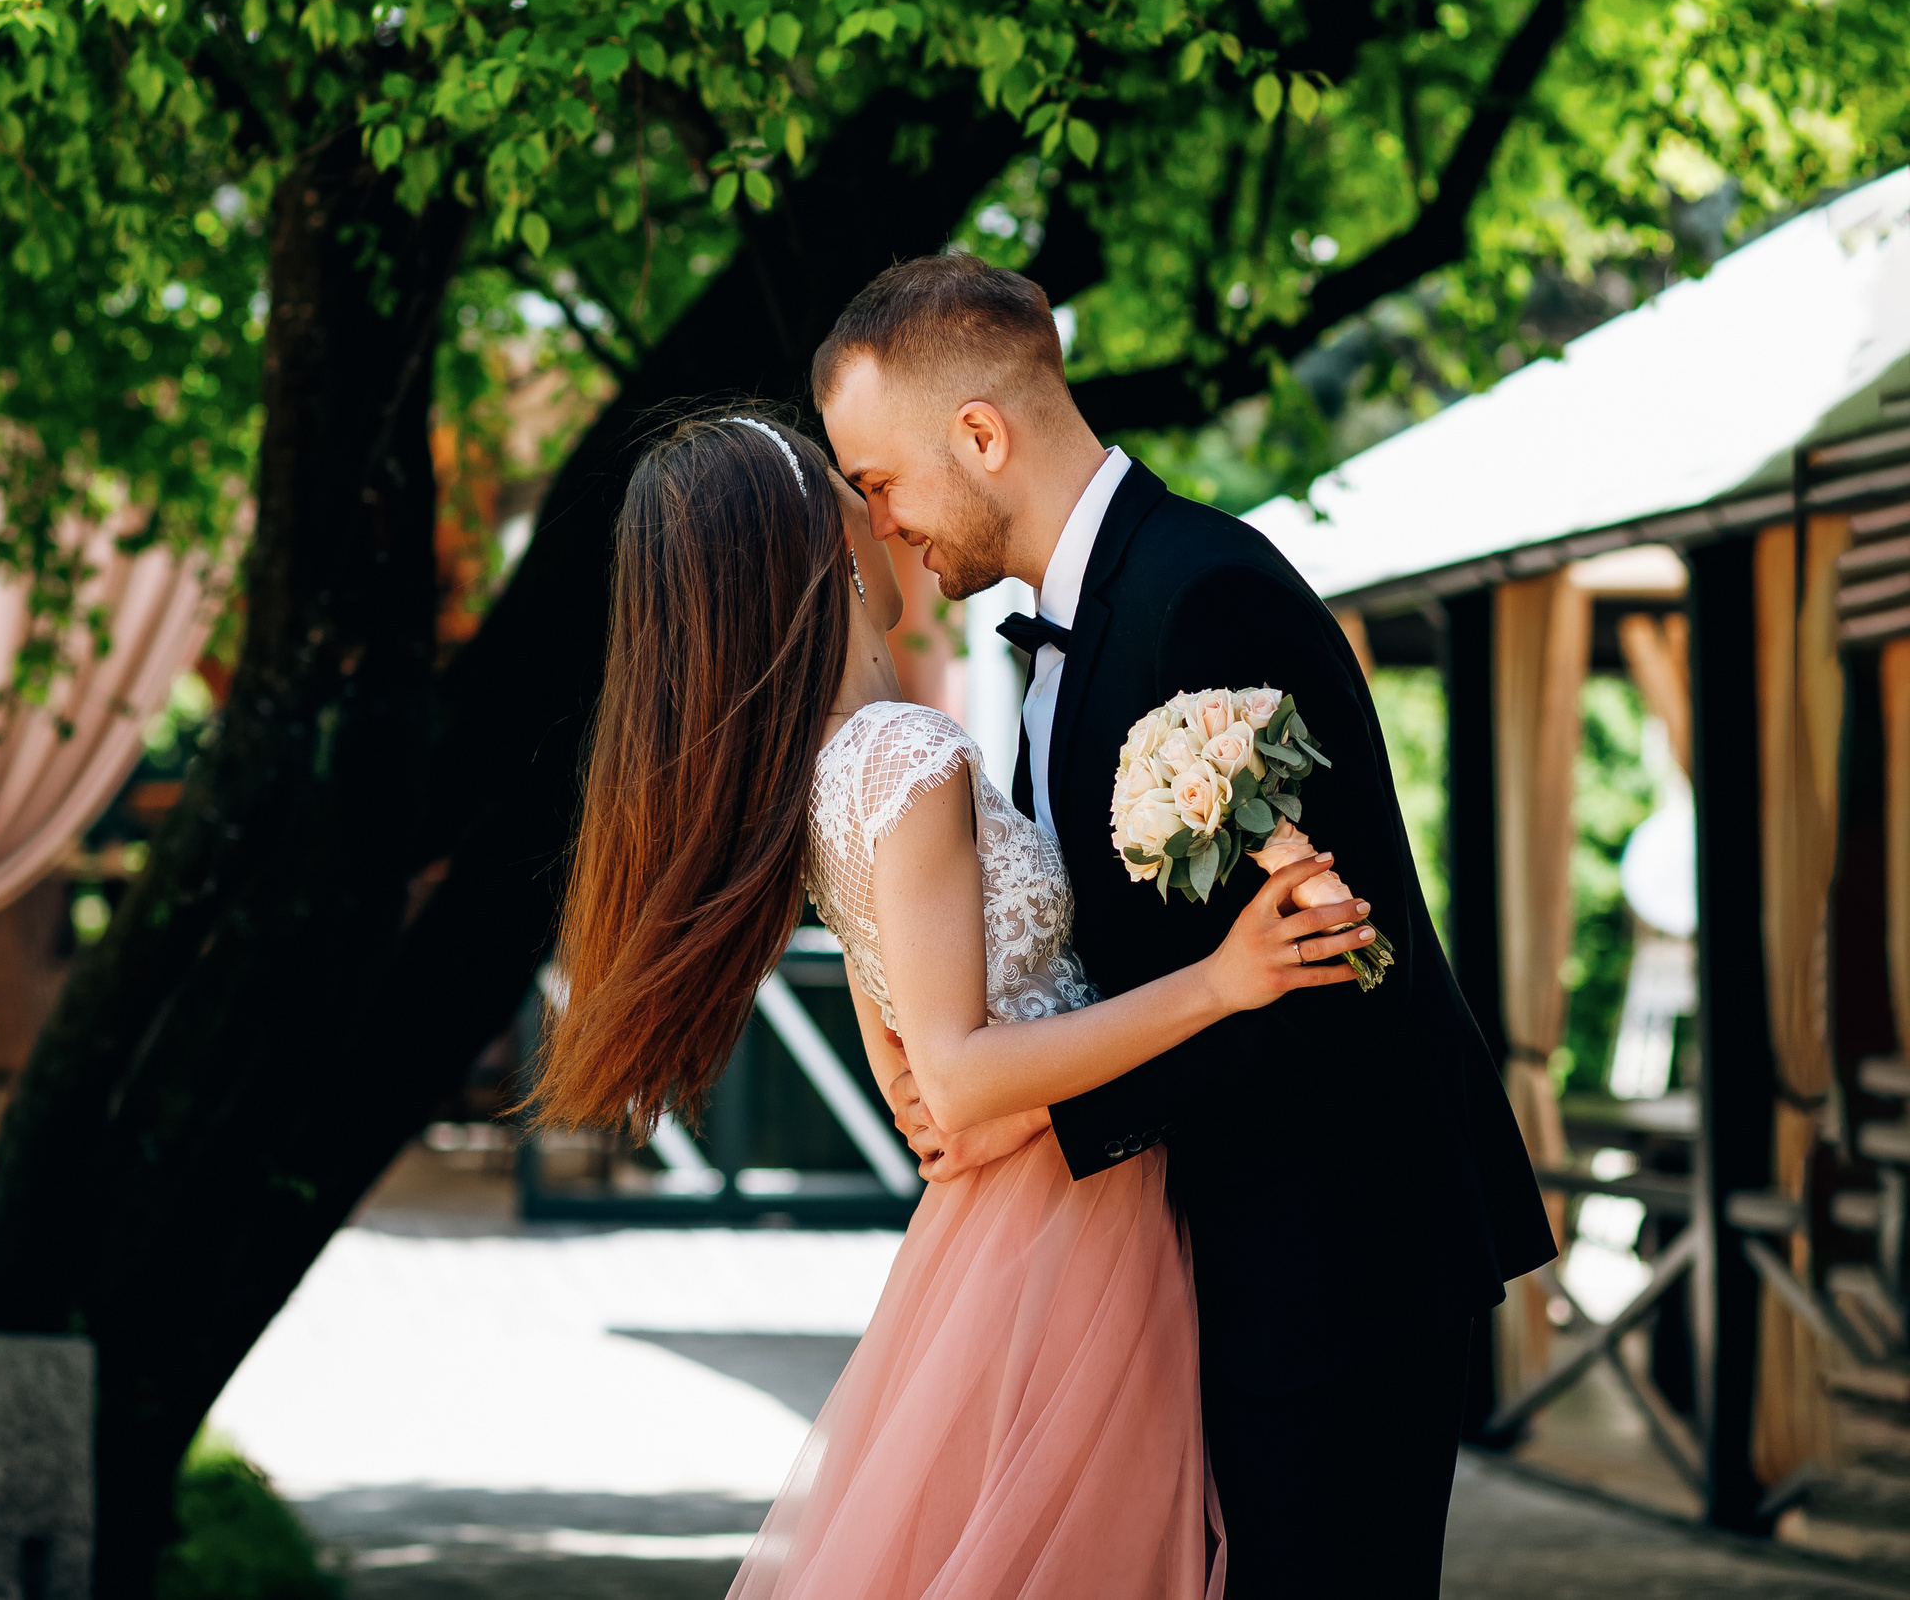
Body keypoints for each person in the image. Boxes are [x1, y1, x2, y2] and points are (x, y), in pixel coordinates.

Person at [533, 408, 1385, 1599]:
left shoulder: (815, 774)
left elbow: (907, 1042)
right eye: (858, 491)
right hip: (1070, 1213)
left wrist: (917, 1082)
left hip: (1010, 1210)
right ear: (820, 543)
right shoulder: (904, 754)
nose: (884, 514)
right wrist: (1221, 978)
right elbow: (963, 1071)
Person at [816, 253, 1556, 1596]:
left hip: (1329, 1254)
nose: (882, 523)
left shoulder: (1205, 592)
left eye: (881, 481)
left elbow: (1315, 960)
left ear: (980, 433)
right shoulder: (1067, 633)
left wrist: (1029, 1101)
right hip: (1213, 1253)